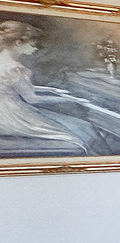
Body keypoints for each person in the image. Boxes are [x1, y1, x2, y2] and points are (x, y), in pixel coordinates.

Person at [0, 19, 110, 156]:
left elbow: (17, 88)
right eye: (33, 44)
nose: (35, 48)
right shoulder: (13, 67)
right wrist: (72, 100)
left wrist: (53, 91)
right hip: (13, 117)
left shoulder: (3, 62)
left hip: (4, 111)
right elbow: (32, 99)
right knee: (81, 130)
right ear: (19, 43)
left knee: (80, 126)